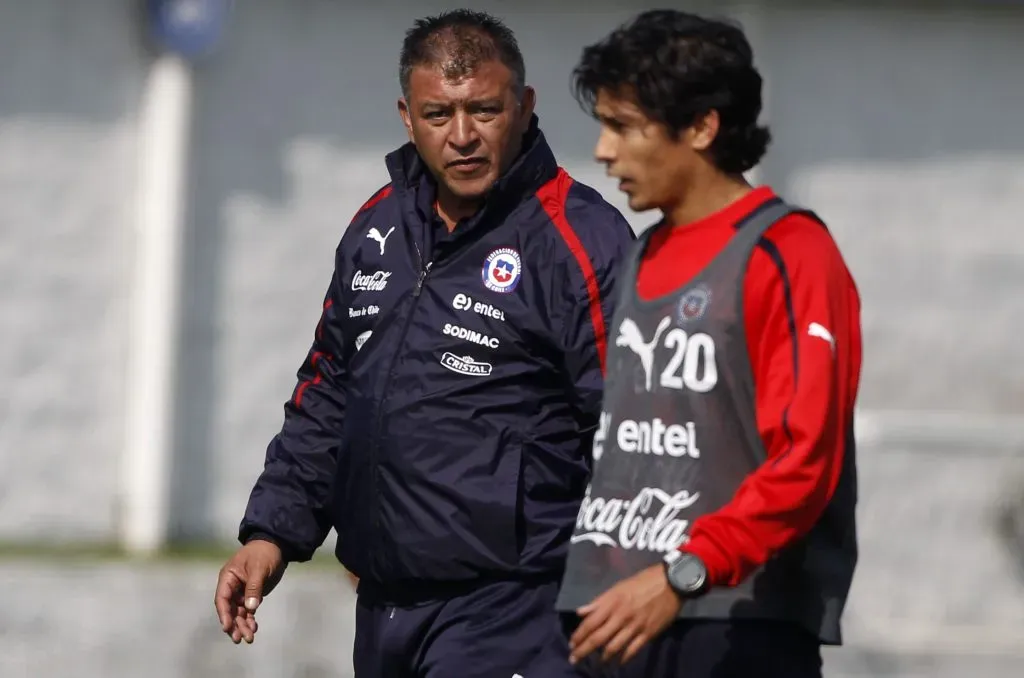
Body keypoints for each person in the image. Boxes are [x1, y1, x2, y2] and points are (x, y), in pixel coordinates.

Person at [212, 9, 636, 678]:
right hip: (384, 607)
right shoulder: (377, 225)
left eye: (485, 110)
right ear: (408, 118)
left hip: (517, 612)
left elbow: (635, 430)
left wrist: (631, 591)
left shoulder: (582, 242)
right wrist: (272, 534)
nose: (462, 136)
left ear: (524, 108)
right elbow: (327, 395)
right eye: (439, 115)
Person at [554, 10, 862, 678]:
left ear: (701, 126)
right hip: (611, 619)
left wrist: (681, 574)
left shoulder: (789, 252)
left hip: (730, 622)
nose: (604, 151)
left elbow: (804, 461)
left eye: (624, 126)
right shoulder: (639, 258)